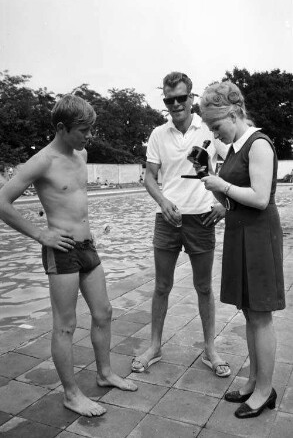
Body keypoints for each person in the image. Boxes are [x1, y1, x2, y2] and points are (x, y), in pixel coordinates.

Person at [0, 94, 137, 417]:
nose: (88, 136)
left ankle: (104, 373)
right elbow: (2, 202)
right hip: (60, 251)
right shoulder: (42, 161)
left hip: (88, 247)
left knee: (103, 312)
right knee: (65, 325)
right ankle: (71, 394)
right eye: (83, 130)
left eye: (90, 129)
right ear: (61, 128)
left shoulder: (82, 154)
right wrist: (40, 233)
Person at [131, 72, 231, 377]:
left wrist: (224, 205)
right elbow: (149, 177)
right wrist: (163, 202)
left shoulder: (210, 129)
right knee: (162, 285)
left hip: (202, 216)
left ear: (191, 98)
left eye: (180, 98)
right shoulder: (158, 134)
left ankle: (210, 350)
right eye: (168, 99)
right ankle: (155, 346)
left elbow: (236, 164)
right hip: (168, 218)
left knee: (203, 287)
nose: (174, 104)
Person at [200, 81, 285, 419]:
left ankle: (265, 390)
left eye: (216, 126)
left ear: (233, 114)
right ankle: (253, 381)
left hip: (259, 237)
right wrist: (211, 181)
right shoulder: (235, 147)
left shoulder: (259, 144)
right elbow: (234, 198)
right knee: (250, 313)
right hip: (241, 233)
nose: (215, 134)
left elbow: (261, 198)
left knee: (261, 316)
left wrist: (221, 184)